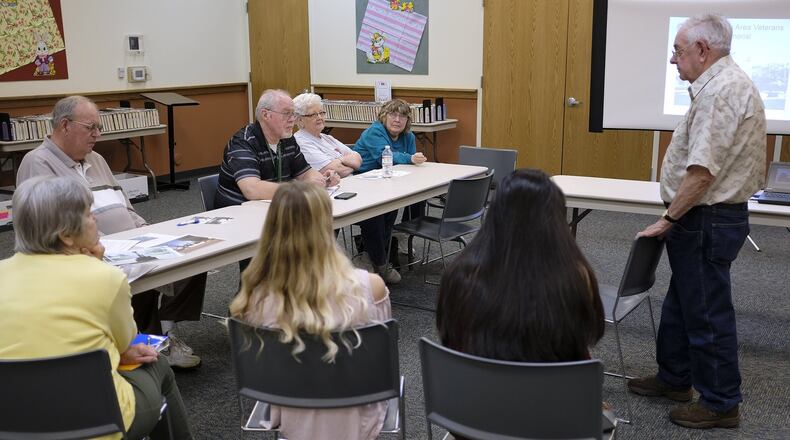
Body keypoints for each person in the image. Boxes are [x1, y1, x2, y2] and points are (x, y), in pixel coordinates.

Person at [629, 14, 766, 430]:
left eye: (678, 51)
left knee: (706, 311)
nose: (673, 61)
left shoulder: (720, 91)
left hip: (707, 217)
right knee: (684, 302)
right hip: (705, 217)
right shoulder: (720, 85)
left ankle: (722, 402)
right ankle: (675, 378)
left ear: (703, 51)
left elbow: (702, 172)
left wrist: (668, 217)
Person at [16, 95, 204, 369]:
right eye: (90, 127)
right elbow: (50, 230)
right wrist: (106, 246)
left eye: (99, 127)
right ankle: (149, 338)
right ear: (65, 126)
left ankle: (165, 326)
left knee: (196, 256)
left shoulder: (97, 159)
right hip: (89, 252)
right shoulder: (38, 164)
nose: (97, 134)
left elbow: (124, 205)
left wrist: (145, 229)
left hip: (133, 243)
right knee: (141, 276)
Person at [0, 176, 194, 440]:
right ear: (66, 236)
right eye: (89, 214)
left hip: (14, 422)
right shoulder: (105, 277)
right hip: (102, 423)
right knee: (157, 363)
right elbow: (125, 344)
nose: (96, 219)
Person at [435, 169, 608, 439]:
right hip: (551, 424)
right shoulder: (575, 276)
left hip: (470, 420)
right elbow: (587, 339)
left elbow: (449, 339)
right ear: (555, 219)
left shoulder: (459, 273)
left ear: (495, 214)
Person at [229, 181, 391, 440]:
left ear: (273, 225)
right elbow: (380, 362)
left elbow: (265, 370)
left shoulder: (254, 297)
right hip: (357, 413)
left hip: (292, 410)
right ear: (326, 223)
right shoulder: (369, 287)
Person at [215, 89, 340, 208]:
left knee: (326, 216)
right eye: (287, 113)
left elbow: (305, 173)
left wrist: (322, 179)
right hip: (239, 214)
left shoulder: (287, 139)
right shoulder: (243, 142)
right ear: (265, 115)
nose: (292, 119)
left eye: (294, 114)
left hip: (276, 208)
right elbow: (252, 189)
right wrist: (300, 189)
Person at [352, 99, 427, 283]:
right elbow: (384, 158)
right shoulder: (374, 132)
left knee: (419, 196)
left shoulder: (408, 136)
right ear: (383, 116)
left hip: (391, 183)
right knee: (379, 212)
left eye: (403, 116)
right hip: (363, 183)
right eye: (393, 114)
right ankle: (379, 260)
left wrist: (411, 159)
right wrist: (410, 158)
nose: (397, 120)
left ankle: (398, 238)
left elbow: (409, 166)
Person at [293, 92, 362, 177]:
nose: (319, 117)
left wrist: (339, 161)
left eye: (321, 113)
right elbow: (338, 171)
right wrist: (346, 162)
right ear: (300, 120)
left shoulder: (327, 138)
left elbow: (358, 159)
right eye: (313, 114)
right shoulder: (301, 142)